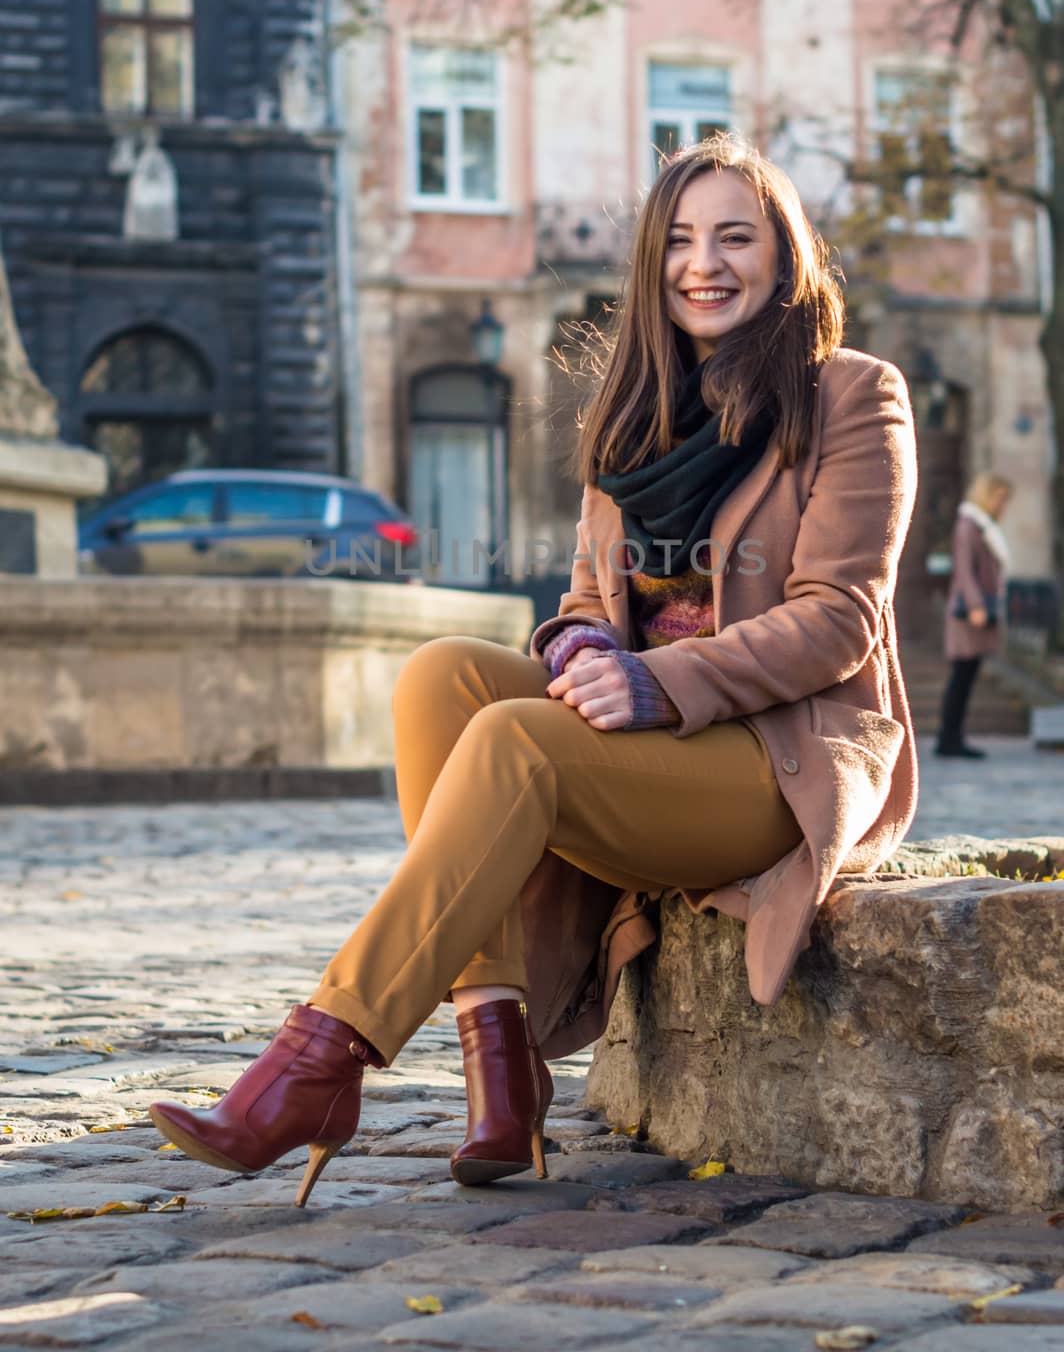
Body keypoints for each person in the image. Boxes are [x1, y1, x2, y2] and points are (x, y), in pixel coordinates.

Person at [148, 134, 920, 1208]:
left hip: (770, 762)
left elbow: (837, 621)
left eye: (735, 238)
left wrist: (656, 682)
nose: (706, 263)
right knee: (438, 679)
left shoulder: (849, 395)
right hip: (647, 749)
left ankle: (317, 1064)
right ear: (653, 267)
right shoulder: (634, 413)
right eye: (680, 241)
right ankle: (496, 1069)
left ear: (783, 259)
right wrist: (583, 647)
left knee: (514, 740)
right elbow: (579, 607)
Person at [934, 473, 1013, 759]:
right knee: (961, 678)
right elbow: (964, 570)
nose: (1002, 504)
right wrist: (977, 605)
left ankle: (952, 738)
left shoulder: (982, 526)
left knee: (965, 678)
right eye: (1000, 497)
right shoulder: (969, 525)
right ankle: (949, 740)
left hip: (975, 611)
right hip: (968, 614)